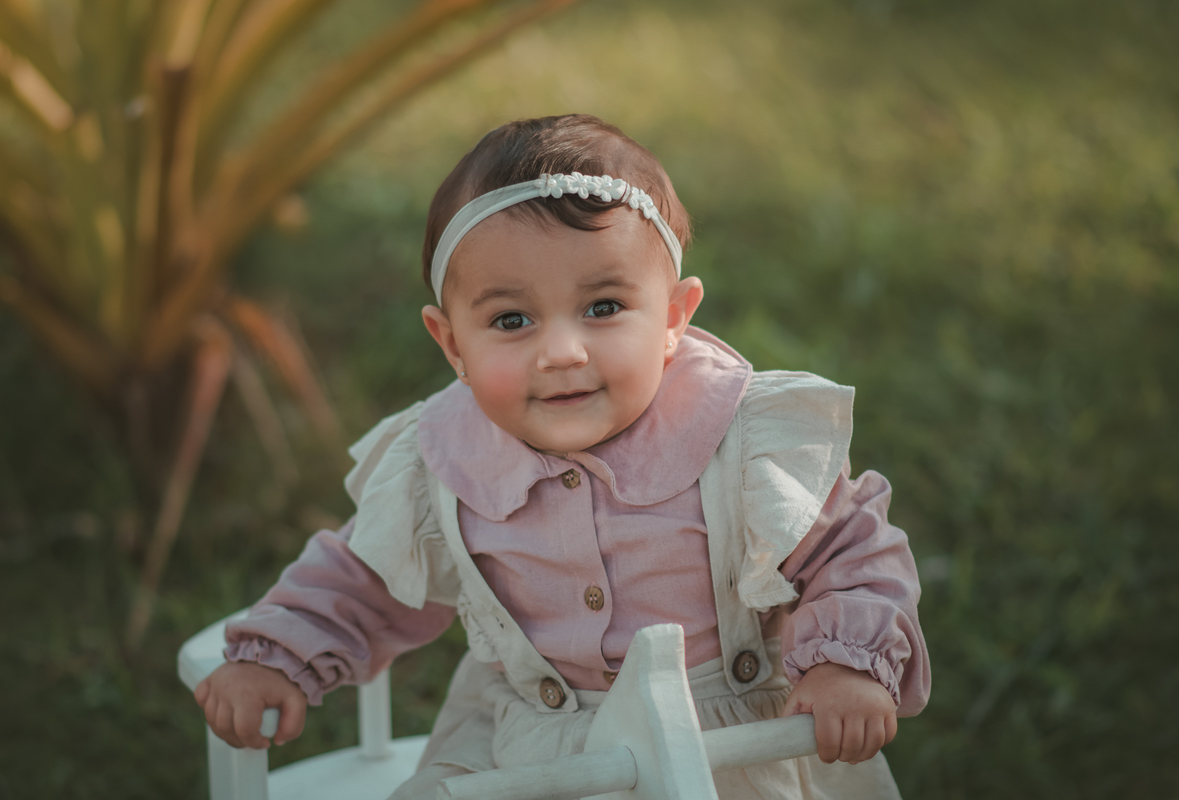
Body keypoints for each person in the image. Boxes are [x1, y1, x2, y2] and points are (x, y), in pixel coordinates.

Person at [193, 114, 930, 799]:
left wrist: (844, 663)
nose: (562, 352)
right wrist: (276, 653)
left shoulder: (735, 441)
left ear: (673, 318)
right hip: (528, 734)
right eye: (511, 320)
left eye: (604, 308)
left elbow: (849, 550)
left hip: (720, 739)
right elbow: (362, 575)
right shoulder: (445, 461)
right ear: (452, 344)